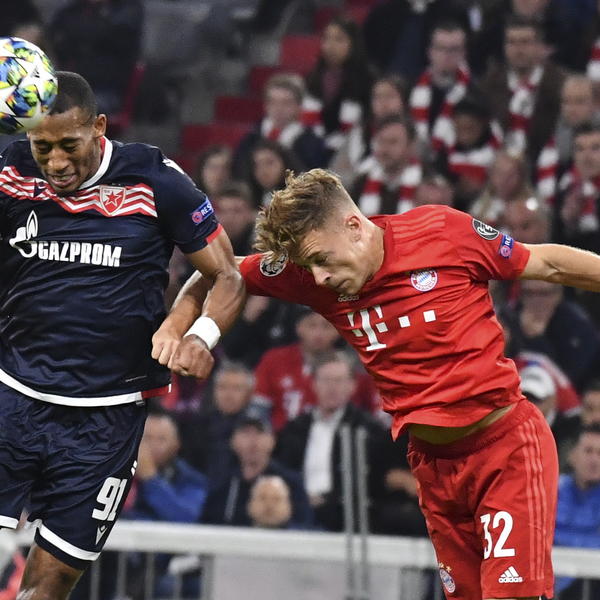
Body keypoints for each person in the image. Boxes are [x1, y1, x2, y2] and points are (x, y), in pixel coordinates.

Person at [155, 167, 600, 600]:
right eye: (309, 266)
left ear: (354, 226)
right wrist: (188, 333)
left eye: (321, 260)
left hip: (504, 449)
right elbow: (219, 271)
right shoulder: (311, 275)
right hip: (433, 467)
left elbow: (547, 264)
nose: (318, 277)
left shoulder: (443, 232)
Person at [0, 71, 244, 600]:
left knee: (51, 583)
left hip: (106, 418)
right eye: (43, 148)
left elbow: (226, 273)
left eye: (69, 145)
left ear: (99, 127)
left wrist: (197, 335)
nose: (56, 162)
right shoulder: (11, 168)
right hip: (11, 394)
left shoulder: (155, 179)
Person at [201, 407, 312, 528]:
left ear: (272, 440)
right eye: (245, 432)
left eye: (259, 432)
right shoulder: (222, 485)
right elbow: (204, 528)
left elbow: (306, 529)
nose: (252, 441)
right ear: (233, 441)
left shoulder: (291, 484)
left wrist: (280, 523)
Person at [553, 424, 600, 599]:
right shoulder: (551, 491)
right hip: (552, 582)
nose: (594, 460)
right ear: (572, 455)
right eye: (588, 451)